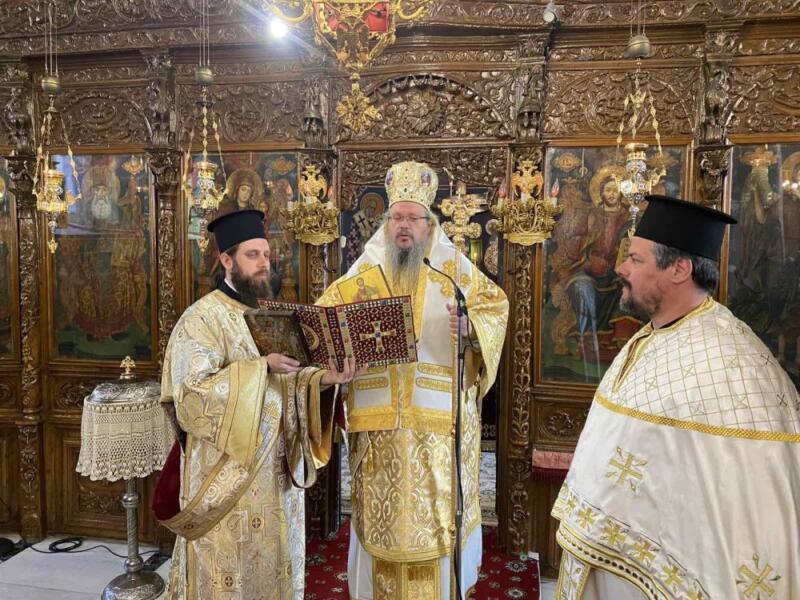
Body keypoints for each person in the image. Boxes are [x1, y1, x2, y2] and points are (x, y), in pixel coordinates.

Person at [552, 195, 800, 599]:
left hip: (670, 572)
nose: (621, 268)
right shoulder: (653, 334)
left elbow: (742, 504)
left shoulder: (734, 365)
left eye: (635, 259)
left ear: (680, 269)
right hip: (611, 557)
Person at [317, 161, 509, 599]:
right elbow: (324, 321)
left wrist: (471, 329)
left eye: (412, 218)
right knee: (379, 529)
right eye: (396, 218)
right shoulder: (364, 273)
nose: (403, 226)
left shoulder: (452, 270)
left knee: (436, 531)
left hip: (437, 432)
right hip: (379, 430)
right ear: (386, 224)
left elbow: (495, 308)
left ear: (429, 225)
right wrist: (338, 357)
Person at [157, 209, 358, 599]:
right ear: (227, 260)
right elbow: (191, 395)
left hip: (276, 478)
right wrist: (260, 367)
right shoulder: (201, 319)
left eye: (266, 254)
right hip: (227, 479)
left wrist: (325, 380)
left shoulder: (273, 314)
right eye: (253, 255)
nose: (264, 262)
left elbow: (289, 382)